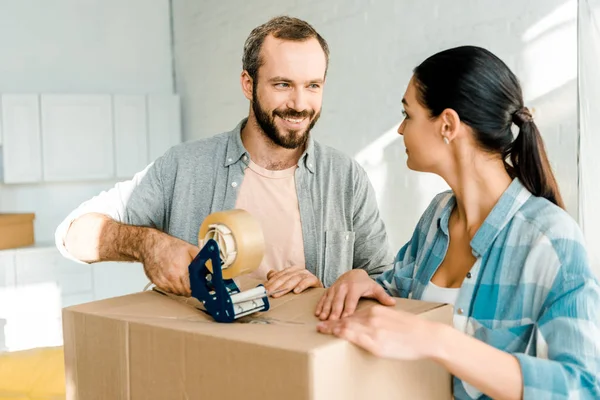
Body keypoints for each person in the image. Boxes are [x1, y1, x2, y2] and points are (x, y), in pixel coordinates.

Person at [316, 45, 600, 399]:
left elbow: (583, 388)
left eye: (408, 114)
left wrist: (440, 340)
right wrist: (363, 282)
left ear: (447, 124)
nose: (401, 130)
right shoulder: (437, 217)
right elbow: (398, 300)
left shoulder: (550, 240)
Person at [54, 16, 393, 298]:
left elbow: (384, 283)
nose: (300, 103)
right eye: (282, 84)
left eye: (313, 86)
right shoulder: (184, 166)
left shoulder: (346, 177)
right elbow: (71, 235)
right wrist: (148, 245)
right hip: (204, 365)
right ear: (248, 84)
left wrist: (330, 291)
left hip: (305, 367)